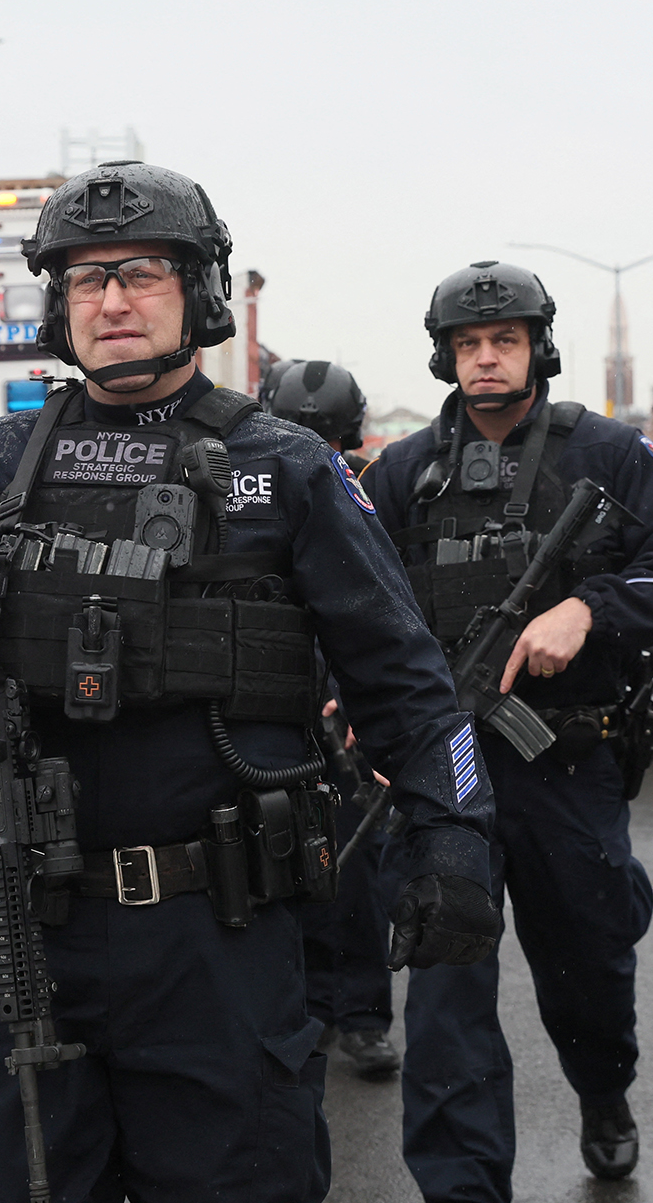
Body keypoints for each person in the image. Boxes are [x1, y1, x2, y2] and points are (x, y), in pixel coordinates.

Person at [0, 162, 503, 1203]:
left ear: (197, 290)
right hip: (32, 926)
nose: (110, 299)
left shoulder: (284, 467)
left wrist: (457, 837)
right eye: (84, 278)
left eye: (141, 272)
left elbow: (411, 686)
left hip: (220, 944)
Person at [363, 261, 653, 1197]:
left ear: (538, 348)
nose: (486, 360)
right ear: (446, 357)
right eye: (469, 345)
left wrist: (589, 610)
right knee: (445, 990)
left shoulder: (607, 454)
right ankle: (462, 1183)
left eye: (504, 342)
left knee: (587, 968)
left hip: (566, 760)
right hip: (447, 767)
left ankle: (605, 1094)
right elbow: (353, 606)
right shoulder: (401, 473)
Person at [264, 358, 400, 1081]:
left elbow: (383, 618)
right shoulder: (239, 492)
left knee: (354, 882)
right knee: (282, 876)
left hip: (342, 723)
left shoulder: (365, 493)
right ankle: (310, 1009)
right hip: (274, 716)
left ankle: (365, 1018)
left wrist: (356, 705)